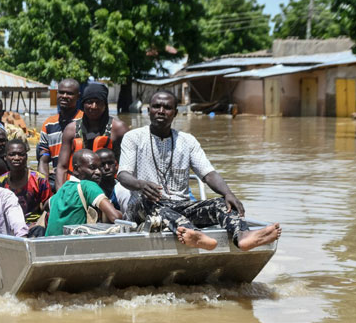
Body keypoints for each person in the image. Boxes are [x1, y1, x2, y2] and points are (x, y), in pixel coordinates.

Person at [117, 91, 281, 251]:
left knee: (221, 203)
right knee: (149, 202)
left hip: (179, 206)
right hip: (142, 209)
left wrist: (228, 193)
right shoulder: (133, 137)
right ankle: (194, 234)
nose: (161, 111)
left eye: (167, 107)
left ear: (175, 113)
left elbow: (208, 174)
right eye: (156, 106)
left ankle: (242, 237)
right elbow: (123, 174)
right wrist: (140, 184)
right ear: (148, 111)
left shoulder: (187, 141)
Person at [56, 83, 129, 189]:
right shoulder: (71, 130)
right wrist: (61, 195)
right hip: (79, 186)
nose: (94, 107)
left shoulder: (119, 129)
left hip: (110, 187)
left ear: (105, 105)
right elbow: (62, 167)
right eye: (90, 102)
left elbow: (129, 164)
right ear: (83, 104)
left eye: (98, 102)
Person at [45, 149, 122, 236]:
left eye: (99, 167)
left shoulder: (64, 188)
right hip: (73, 245)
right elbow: (115, 217)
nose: (98, 172)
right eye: (92, 168)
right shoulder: (88, 185)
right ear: (76, 170)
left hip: (50, 244)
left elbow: (46, 205)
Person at [36, 79, 84, 184]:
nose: (64, 96)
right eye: (61, 92)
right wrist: (44, 187)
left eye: (70, 93)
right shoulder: (49, 124)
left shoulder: (84, 121)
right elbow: (44, 160)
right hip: (57, 179)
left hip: (80, 180)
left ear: (78, 96)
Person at [0, 139, 53, 224]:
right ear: (5, 157)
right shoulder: (1, 181)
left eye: (20, 155)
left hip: (34, 225)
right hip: (9, 224)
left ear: (26, 157)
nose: (16, 158)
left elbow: (49, 206)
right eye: (12, 155)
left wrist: (40, 224)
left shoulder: (39, 180)